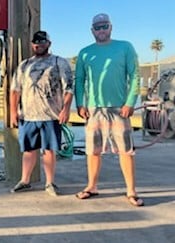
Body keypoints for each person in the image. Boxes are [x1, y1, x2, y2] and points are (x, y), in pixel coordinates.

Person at [74, 13, 144, 206]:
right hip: (94, 109)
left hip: (119, 109)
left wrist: (130, 102)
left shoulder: (125, 47)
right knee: (92, 151)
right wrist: (80, 103)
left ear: (111, 27)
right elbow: (79, 80)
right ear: (92, 30)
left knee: (126, 151)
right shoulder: (85, 52)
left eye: (104, 26)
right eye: (97, 27)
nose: (101, 30)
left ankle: (131, 190)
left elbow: (135, 76)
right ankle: (92, 186)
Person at [9, 31, 74, 196]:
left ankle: (49, 182)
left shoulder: (59, 62)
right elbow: (15, 90)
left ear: (49, 43)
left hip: (50, 115)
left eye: (43, 41)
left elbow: (69, 88)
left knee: (49, 150)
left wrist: (66, 109)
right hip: (28, 115)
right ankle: (25, 180)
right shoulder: (24, 65)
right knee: (28, 150)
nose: (39, 45)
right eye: (36, 42)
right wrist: (12, 112)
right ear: (32, 44)